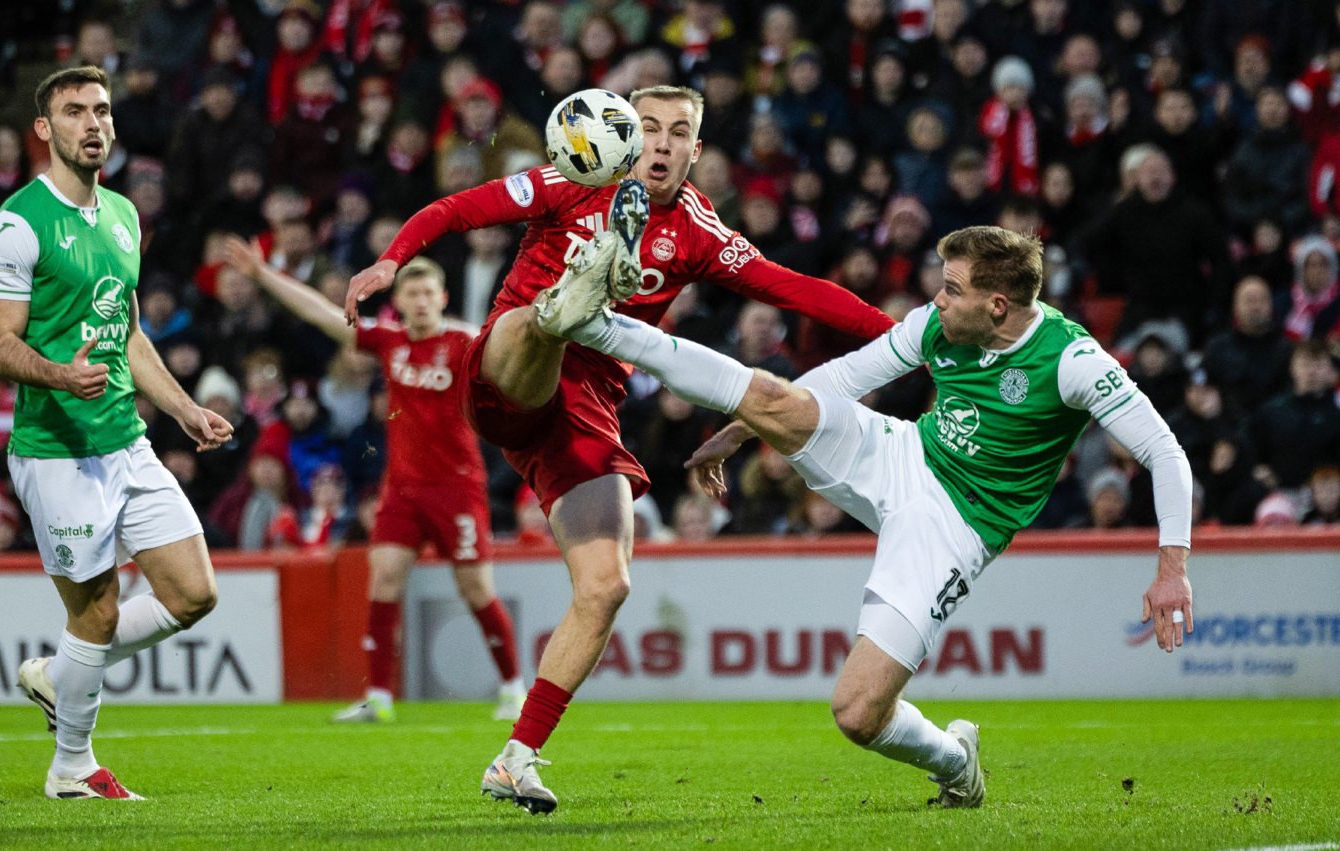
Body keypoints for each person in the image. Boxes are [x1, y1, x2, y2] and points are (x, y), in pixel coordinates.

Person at [344, 84, 893, 814]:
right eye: (651, 128)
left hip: (586, 411)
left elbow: (796, 290)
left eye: (680, 134)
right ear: (627, 134)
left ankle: (517, 756)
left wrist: (904, 337)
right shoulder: (568, 178)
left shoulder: (700, 231)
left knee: (607, 585)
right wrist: (390, 262)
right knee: (535, 326)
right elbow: (458, 208)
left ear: (697, 151)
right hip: (506, 371)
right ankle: (571, 300)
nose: (663, 143)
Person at [542, 224, 1194, 808]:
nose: (938, 300)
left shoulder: (1071, 360)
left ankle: (954, 761)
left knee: (856, 711)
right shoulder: (934, 323)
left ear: (997, 306)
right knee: (780, 396)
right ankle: (594, 323)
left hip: (955, 527)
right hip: (902, 454)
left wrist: (1172, 569)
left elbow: (1163, 451)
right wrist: (742, 431)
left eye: (953, 290)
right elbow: (840, 378)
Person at [0, 67, 234, 801]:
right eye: (74, 111)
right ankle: (72, 767)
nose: (93, 123)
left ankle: (60, 673)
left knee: (193, 593)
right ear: (44, 129)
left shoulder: (123, 214)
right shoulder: (16, 224)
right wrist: (60, 374)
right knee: (96, 610)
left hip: (127, 439)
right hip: (56, 452)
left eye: (102, 110)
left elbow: (129, 332)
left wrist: (183, 408)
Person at [225, 238, 525, 724]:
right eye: (413, 294)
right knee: (383, 582)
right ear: (400, 301)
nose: (422, 301)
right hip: (403, 489)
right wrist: (263, 277)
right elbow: (323, 314)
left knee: (475, 589)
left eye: (430, 293)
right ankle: (380, 697)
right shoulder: (390, 342)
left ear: (443, 298)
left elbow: (521, 354)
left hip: (458, 489)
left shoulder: (466, 342)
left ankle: (514, 689)